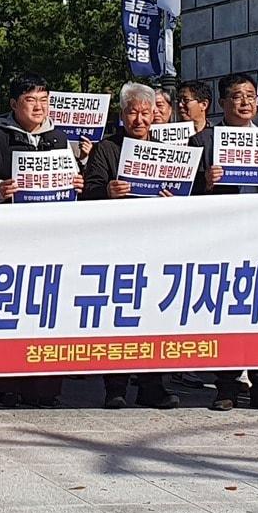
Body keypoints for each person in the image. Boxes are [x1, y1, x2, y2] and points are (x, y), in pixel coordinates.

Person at [0, 73, 84, 407]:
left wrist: (77, 186)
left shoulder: (60, 139)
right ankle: (7, 385)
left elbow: (75, 181)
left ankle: (46, 388)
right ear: (13, 105)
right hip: (8, 241)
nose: (39, 107)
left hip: (51, 242)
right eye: (30, 100)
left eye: (44, 99)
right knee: (10, 312)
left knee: (48, 312)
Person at [188, 72, 258, 415]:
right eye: (237, 96)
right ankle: (227, 385)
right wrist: (206, 182)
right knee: (227, 313)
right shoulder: (204, 141)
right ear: (223, 104)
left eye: (251, 95)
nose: (246, 102)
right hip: (223, 239)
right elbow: (183, 195)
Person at [81, 81, 182, 410]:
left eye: (145, 112)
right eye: (132, 113)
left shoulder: (167, 149)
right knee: (119, 315)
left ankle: (154, 385)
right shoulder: (107, 148)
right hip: (118, 244)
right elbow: (89, 190)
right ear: (122, 115)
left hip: (158, 243)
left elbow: (187, 190)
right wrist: (107, 191)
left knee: (156, 314)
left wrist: (174, 196)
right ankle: (116, 386)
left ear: (155, 113)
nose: (139, 119)